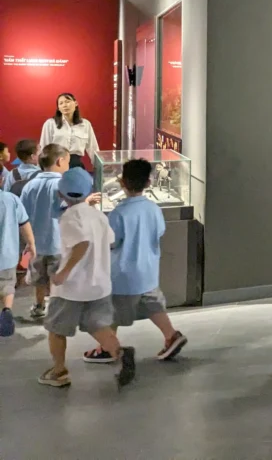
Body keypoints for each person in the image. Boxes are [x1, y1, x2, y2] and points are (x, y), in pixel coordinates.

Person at [81, 159, 188, 364]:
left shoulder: (119, 212)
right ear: (148, 182)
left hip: (122, 275)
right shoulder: (154, 209)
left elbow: (111, 241)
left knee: (109, 311)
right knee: (154, 306)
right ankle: (171, 335)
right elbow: (160, 232)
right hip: (148, 271)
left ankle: (107, 347)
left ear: (122, 182)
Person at [40, 167, 135, 388]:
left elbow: (82, 244)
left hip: (72, 288)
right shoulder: (98, 215)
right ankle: (120, 353)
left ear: (61, 193)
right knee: (98, 325)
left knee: (56, 329)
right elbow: (110, 241)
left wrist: (63, 272)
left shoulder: (69, 217)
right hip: (99, 284)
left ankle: (59, 371)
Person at [19, 143, 70, 320]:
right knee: (57, 278)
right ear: (60, 161)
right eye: (67, 162)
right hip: (58, 242)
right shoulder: (62, 185)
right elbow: (68, 211)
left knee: (38, 279)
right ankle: (56, 309)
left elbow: (22, 216)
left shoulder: (29, 186)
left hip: (35, 243)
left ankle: (39, 305)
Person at [0, 178, 35, 337]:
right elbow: (24, 222)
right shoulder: (11, 199)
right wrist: (31, 243)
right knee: (7, 285)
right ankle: (7, 310)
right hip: (7, 254)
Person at [39, 93, 100, 169]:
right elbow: (44, 148)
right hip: (56, 165)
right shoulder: (50, 124)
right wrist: (43, 169)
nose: (65, 105)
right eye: (61, 103)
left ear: (76, 103)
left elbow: (93, 148)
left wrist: (99, 167)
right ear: (58, 108)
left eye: (67, 101)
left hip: (76, 166)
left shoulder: (85, 124)